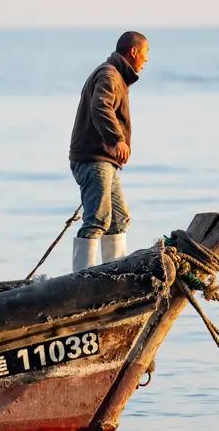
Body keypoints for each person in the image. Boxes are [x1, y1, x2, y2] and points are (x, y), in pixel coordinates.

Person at [69, 31, 149, 271]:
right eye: (145, 53)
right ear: (133, 51)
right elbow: (100, 106)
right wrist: (117, 140)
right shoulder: (109, 75)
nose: (146, 60)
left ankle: (113, 274)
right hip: (94, 159)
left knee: (119, 218)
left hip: (104, 160)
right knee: (97, 219)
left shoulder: (115, 75)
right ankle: (82, 279)